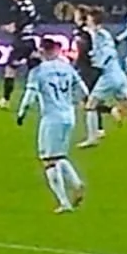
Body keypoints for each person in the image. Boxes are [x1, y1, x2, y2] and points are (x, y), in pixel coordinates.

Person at [15, 34, 88, 213]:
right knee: (60, 155)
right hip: (69, 116)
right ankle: (76, 183)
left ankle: (64, 202)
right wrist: (82, 100)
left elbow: (30, 95)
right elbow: (82, 88)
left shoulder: (38, 71)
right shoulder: (67, 67)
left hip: (51, 117)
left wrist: (22, 112)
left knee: (48, 160)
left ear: (42, 51)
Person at [79, 15, 127, 146]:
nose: (86, 23)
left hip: (109, 76)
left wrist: (95, 60)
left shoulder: (99, 35)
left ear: (94, 22)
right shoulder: (104, 35)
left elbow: (103, 54)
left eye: (88, 21)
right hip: (119, 75)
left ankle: (92, 138)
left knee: (90, 105)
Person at [0, 0, 38, 108]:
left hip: (23, 41)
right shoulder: (26, 3)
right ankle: (41, 96)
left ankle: (5, 100)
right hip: (29, 39)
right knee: (35, 69)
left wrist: (14, 28)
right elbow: (32, 18)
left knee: (10, 68)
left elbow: (24, 19)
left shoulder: (22, 3)